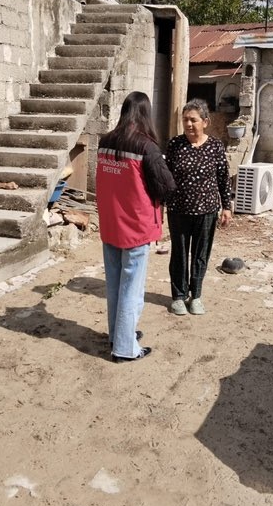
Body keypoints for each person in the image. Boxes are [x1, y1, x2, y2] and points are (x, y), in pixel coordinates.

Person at [96, 90, 176, 362]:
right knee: (132, 287)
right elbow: (166, 186)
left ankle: (118, 335)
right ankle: (125, 348)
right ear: (145, 114)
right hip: (136, 227)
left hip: (111, 224)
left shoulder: (105, 142)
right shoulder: (146, 146)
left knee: (114, 284)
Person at [162, 99, 232, 315]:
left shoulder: (215, 146)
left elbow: (223, 177)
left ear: (205, 122)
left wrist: (226, 206)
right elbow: (166, 177)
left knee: (201, 255)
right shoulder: (175, 145)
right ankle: (178, 296)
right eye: (185, 120)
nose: (189, 124)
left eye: (193, 120)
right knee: (179, 254)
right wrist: (161, 203)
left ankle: (196, 296)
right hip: (178, 210)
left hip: (207, 211)